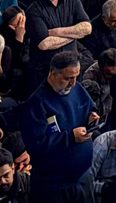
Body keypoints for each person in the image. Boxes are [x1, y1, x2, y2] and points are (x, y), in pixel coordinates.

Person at [20, 51, 98, 202]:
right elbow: (36, 144)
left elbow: (90, 107)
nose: (73, 83)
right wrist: (70, 137)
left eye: (76, 77)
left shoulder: (77, 89)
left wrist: (92, 116)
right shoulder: (37, 104)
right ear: (53, 73)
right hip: (53, 185)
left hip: (82, 177)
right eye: (68, 78)